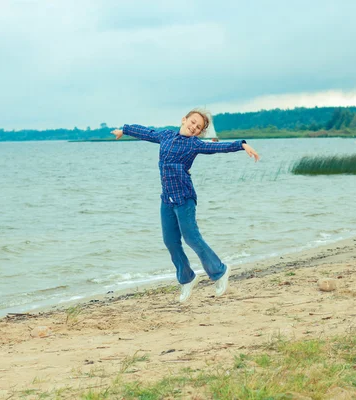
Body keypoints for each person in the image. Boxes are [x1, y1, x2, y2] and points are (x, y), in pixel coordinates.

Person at [111, 109, 260, 303]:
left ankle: (220, 271)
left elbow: (218, 147)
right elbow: (147, 132)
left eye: (198, 128)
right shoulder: (165, 135)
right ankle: (187, 278)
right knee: (170, 241)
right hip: (167, 199)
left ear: (199, 133)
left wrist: (241, 145)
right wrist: (125, 129)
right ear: (184, 120)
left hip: (184, 198)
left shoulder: (193, 144)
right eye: (192, 122)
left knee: (192, 238)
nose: (193, 128)